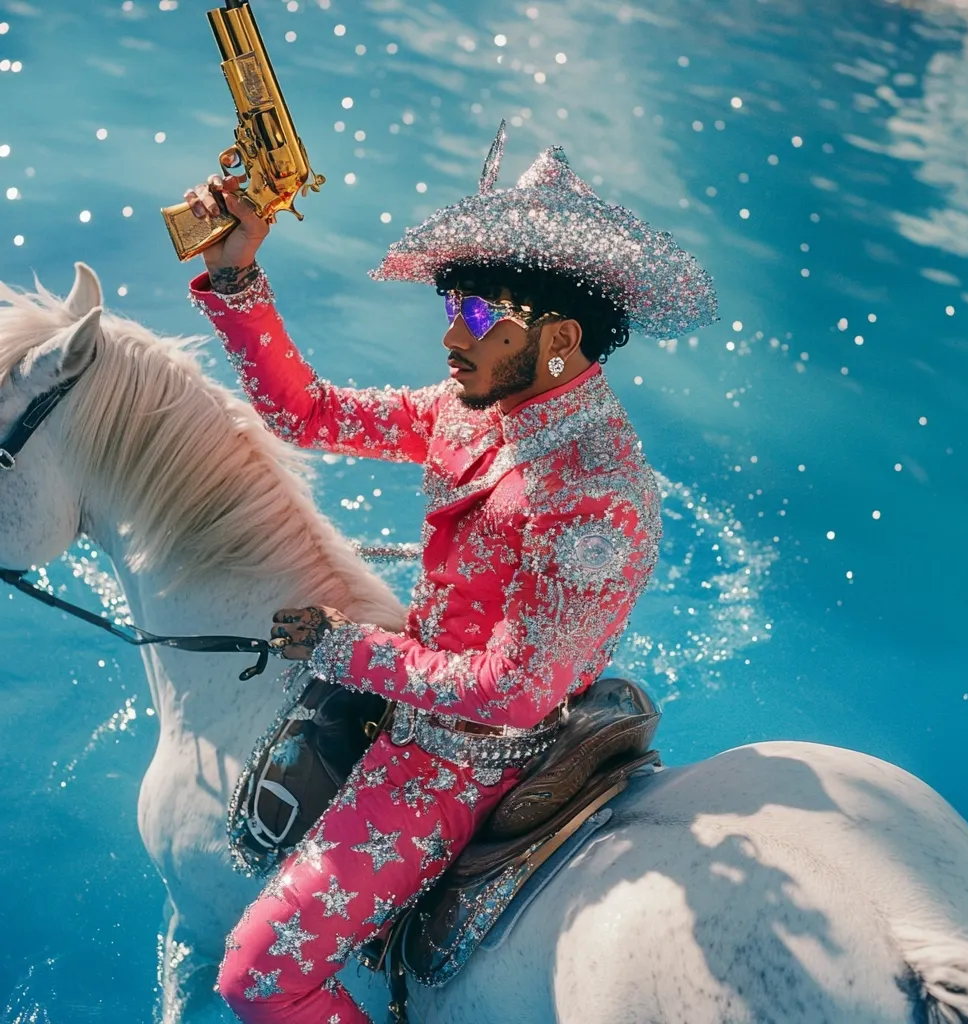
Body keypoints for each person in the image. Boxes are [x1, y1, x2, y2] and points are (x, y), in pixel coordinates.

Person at [184, 123, 716, 1023]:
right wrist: (236, 275)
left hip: (458, 761)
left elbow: (510, 692)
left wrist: (345, 650)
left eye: (477, 316)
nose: (451, 337)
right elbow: (306, 413)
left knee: (259, 982)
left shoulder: (596, 492)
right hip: (429, 692)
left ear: (561, 337)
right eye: (452, 309)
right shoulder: (473, 409)